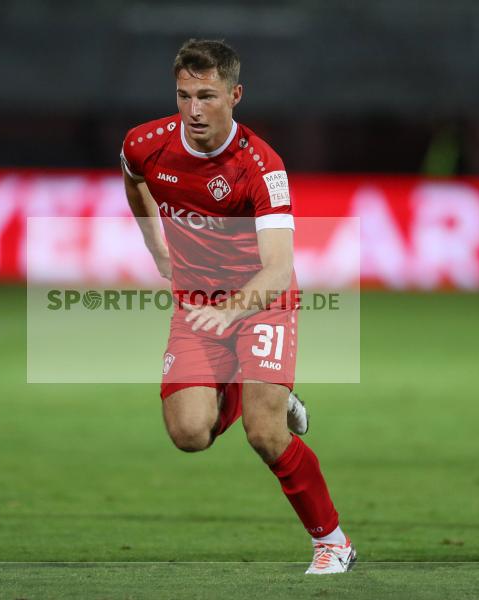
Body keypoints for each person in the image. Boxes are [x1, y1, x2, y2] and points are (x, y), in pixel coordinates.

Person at [120, 39, 355, 574]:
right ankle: (256, 391)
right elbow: (134, 180)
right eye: (184, 96)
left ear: (234, 95)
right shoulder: (145, 143)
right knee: (189, 434)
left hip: (262, 301)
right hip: (196, 303)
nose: (194, 109)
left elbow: (277, 268)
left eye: (207, 96)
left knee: (264, 433)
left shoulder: (261, 166)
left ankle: (332, 542)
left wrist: (231, 312)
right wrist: (156, 245)